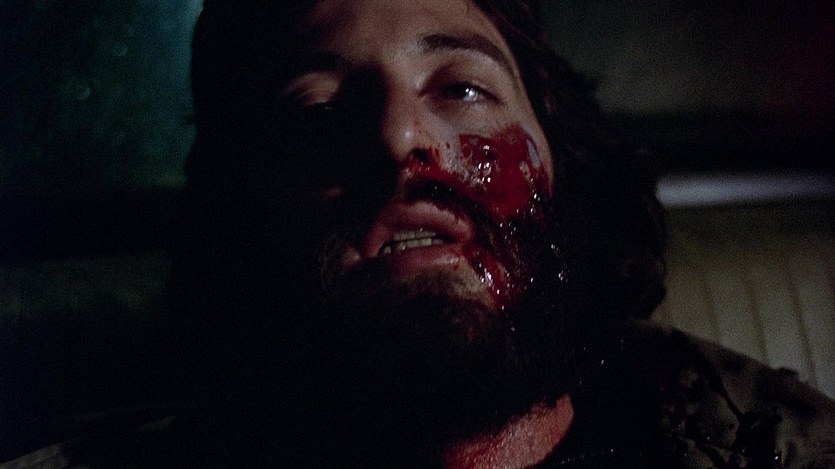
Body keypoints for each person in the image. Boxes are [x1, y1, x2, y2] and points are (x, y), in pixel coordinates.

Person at [7, 0, 834, 467]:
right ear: (241, 207)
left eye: (462, 88)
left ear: (562, 157)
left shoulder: (767, 443)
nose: (399, 137)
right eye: (317, 109)